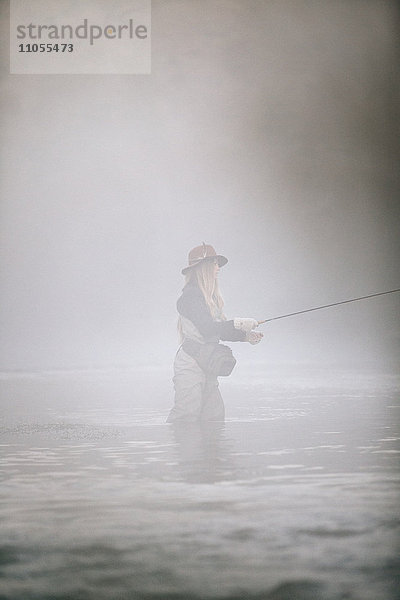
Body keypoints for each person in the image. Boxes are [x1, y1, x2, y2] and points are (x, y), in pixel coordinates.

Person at [167, 243, 263, 423]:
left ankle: (208, 451)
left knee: (214, 417)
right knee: (185, 415)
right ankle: (177, 449)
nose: (218, 268)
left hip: (207, 362)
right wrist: (240, 323)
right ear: (202, 267)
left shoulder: (210, 298)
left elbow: (217, 331)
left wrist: (245, 337)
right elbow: (208, 328)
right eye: (214, 264)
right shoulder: (189, 297)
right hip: (190, 364)